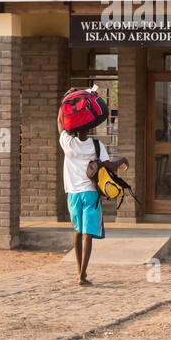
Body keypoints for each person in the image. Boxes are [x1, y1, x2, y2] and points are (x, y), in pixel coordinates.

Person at [59, 110, 109, 286]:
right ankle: (83, 274)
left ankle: (78, 271)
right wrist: (123, 160)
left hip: (73, 193)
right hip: (91, 192)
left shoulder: (68, 142)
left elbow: (60, 123)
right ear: (90, 129)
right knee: (88, 234)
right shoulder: (96, 145)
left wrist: (64, 102)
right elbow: (108, 165)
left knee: (78, 231)